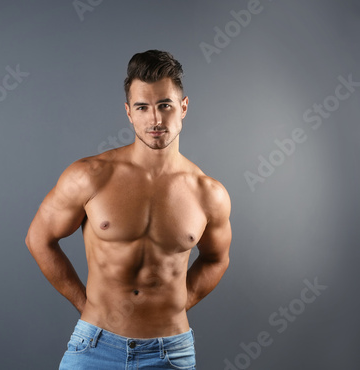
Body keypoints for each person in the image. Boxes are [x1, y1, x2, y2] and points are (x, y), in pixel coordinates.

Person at [26, 49, 232, 369]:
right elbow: (38, 239)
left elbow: (217, 258)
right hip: (95, 346)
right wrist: (86, 306)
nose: (155, 119)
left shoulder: (209, 193)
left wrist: (178, 304)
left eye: (165, 105)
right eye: (142, 107)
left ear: (183, 107)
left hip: (171, 352)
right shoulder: (90, 176)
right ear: (128, 113)